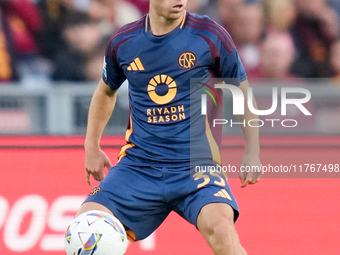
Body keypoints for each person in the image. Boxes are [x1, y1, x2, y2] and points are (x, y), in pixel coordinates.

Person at [71, 0, 262, 254]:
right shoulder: (124, 41)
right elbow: (106, 91)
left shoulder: (210, 34)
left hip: (195, 165)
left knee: (221, 229)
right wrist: (91, 146)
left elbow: (242, 90)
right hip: (140, 165)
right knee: (86, 227)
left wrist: (252, 152)